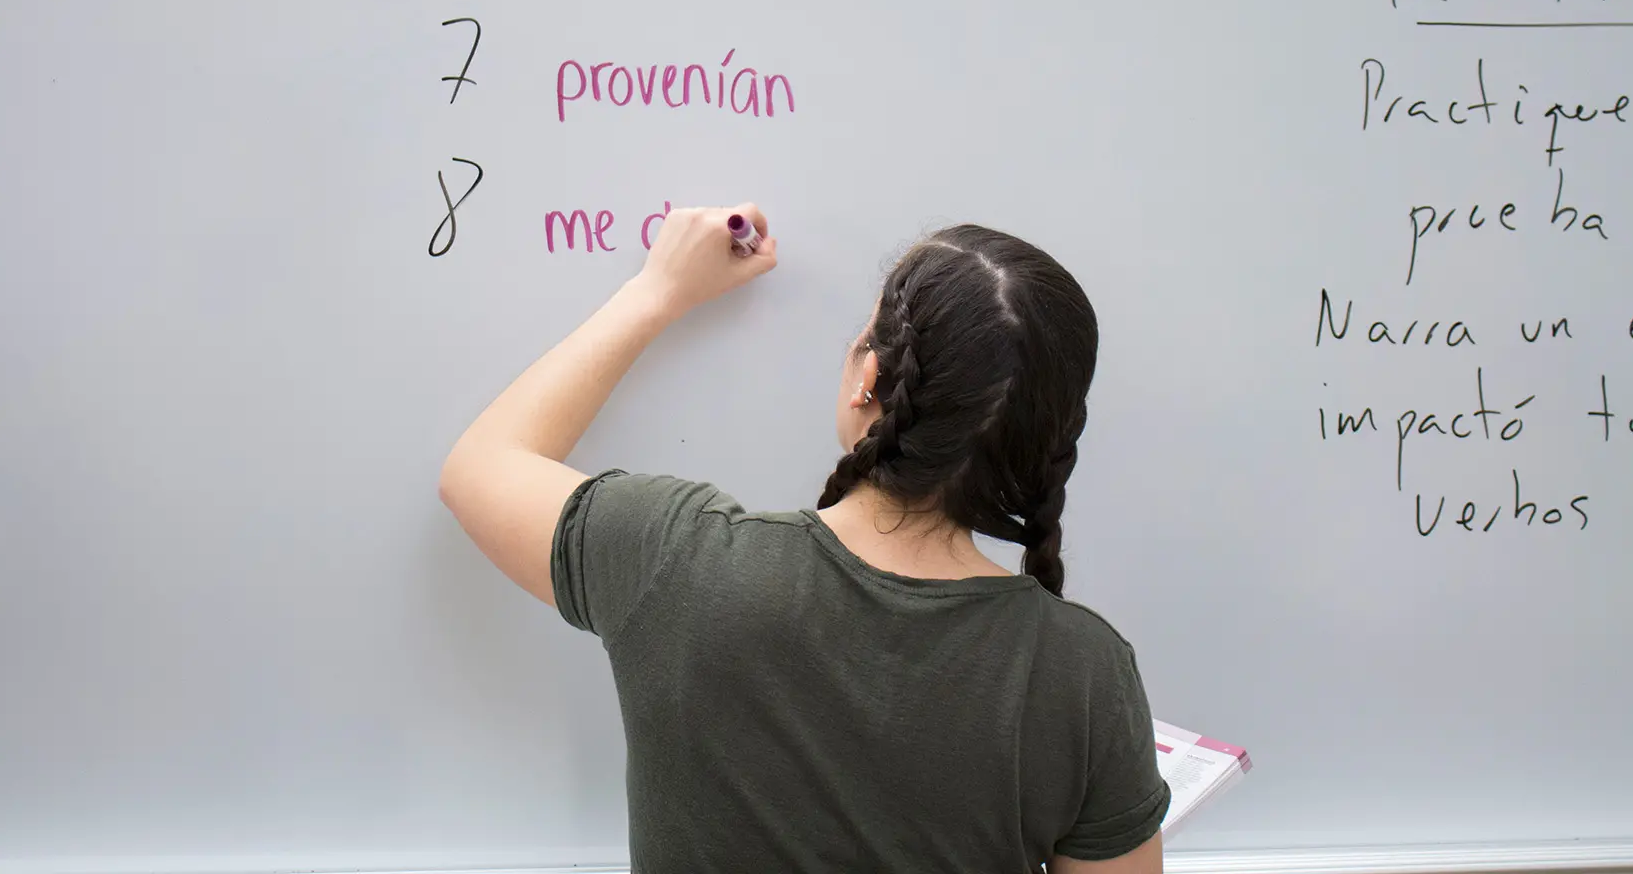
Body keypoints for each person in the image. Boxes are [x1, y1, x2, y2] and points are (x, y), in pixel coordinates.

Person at [439, 203, 1169, 873]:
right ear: (1044, 443)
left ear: (870, 378)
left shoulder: (678, 562)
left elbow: (479, 468)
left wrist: (659, 289)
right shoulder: (1088, 676)